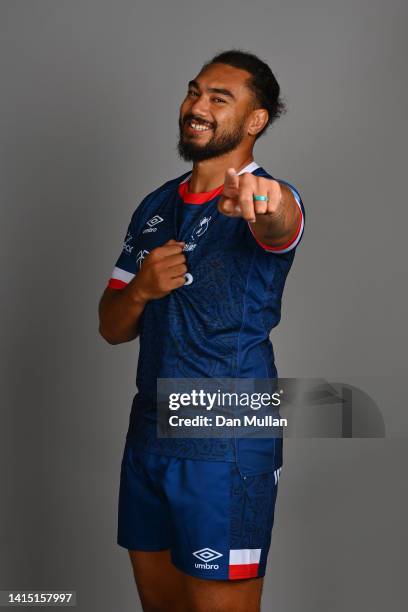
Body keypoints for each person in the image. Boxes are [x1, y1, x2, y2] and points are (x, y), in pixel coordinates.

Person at [98, 49, 305, 612]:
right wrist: (140, 289)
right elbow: (112, 327)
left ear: (256, 120)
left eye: (220, 98)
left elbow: (280, 220)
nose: (198, 106)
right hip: (148, 432)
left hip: (224, 433)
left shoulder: (262, 198)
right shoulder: (155, 205)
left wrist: (268, 201)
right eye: (194, 92)